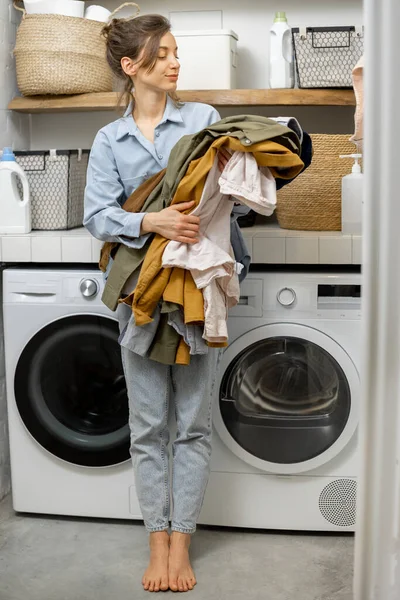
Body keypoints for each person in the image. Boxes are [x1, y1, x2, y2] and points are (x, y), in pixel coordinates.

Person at [83, 13, 232, 594]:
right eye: (162, 54)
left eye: (176, 52)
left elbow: (229, 197)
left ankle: (182, 539)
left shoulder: (203, 121)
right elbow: (97, 215)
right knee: (148, 425)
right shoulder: (109, 139)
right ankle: (156, 539)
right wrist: (153, 218)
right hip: (139, 295)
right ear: (131, 66)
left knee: (192, 423)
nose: (175, 62)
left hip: (197, 289)